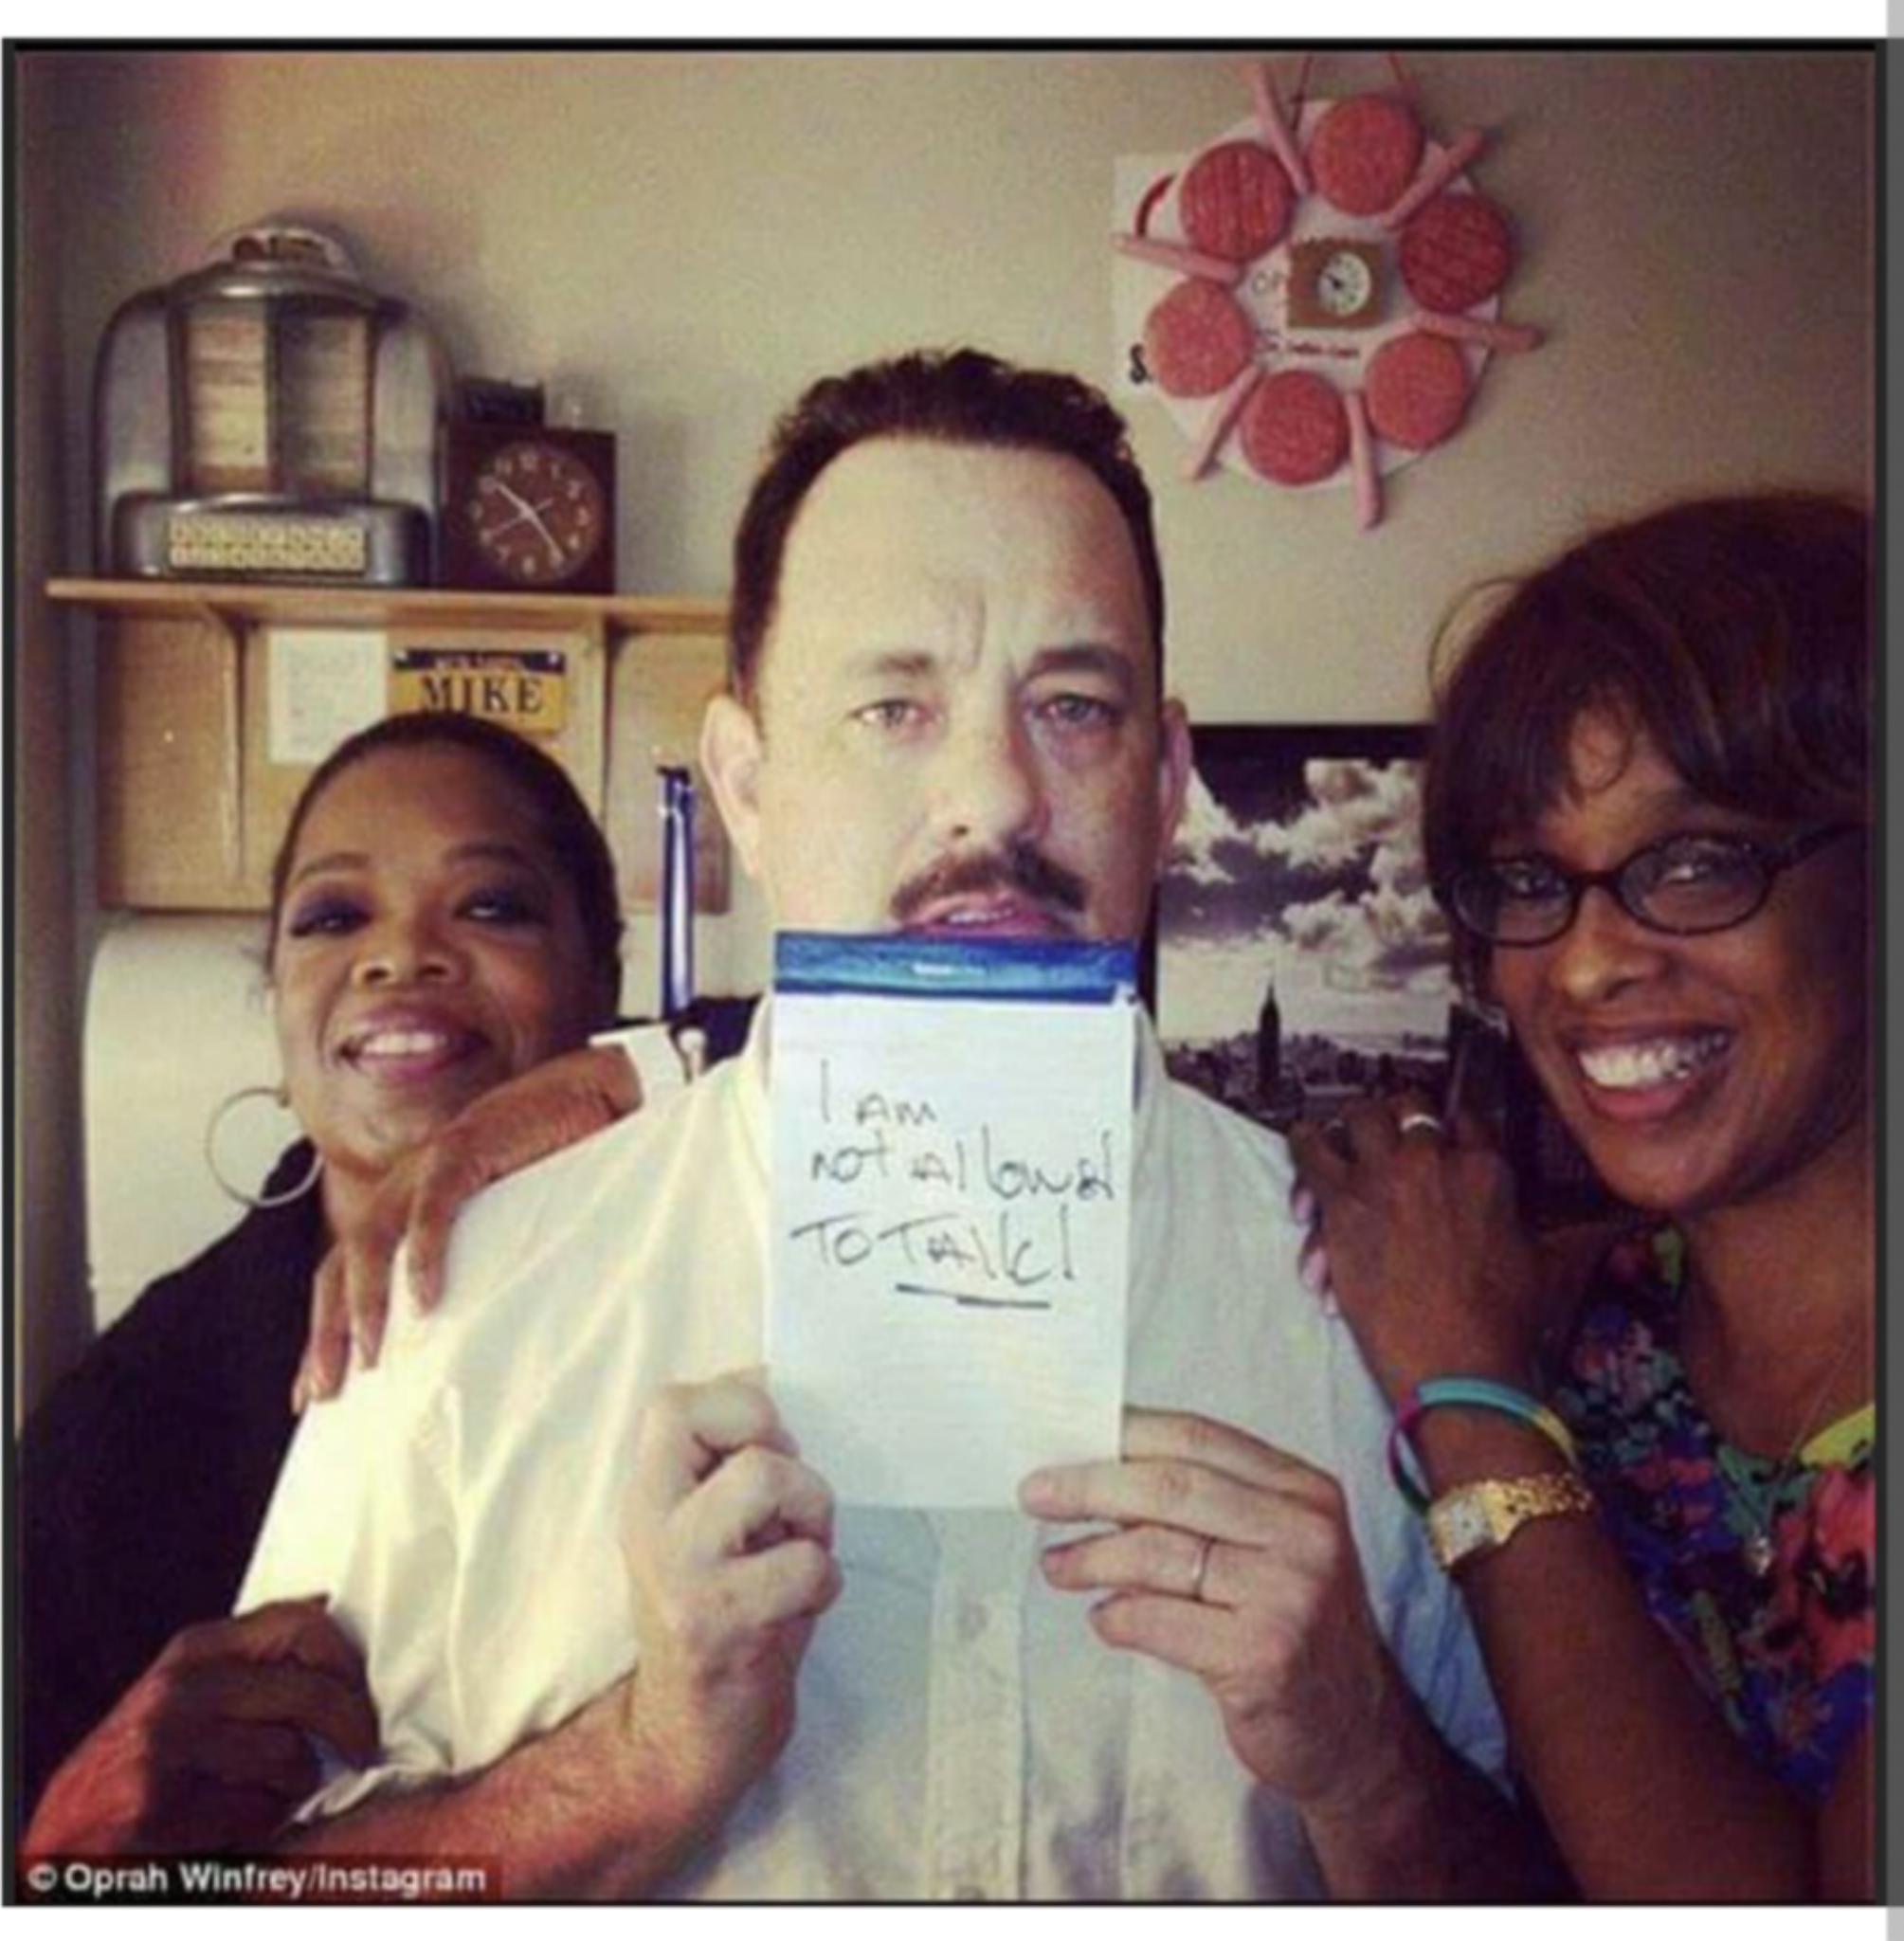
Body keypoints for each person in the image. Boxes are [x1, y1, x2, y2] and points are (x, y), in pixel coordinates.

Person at [237, 348, 1542, 1902]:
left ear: (1164, 783)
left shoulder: (1370, 1303)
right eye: (891, 705)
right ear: (745, 782)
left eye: (1072, 707)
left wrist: (1369, 1766)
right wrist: (635, 1762)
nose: (991, 794)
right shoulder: (461, 1289)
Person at [1289, 495, 1873, 1900]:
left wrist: (1469, 1395)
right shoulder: (1596, 1321)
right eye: (1527, 879)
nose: (1589, 961)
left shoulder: (1499, 1354)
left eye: (1695, 859)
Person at [20, 711, 635, 1858]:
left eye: (491, 905)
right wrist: (68, 1843)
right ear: (276, 998)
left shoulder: (713, 1253)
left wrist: (642, 1072)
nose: (400, 955)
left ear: (603, 977)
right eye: (333, 916)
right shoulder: (120, 1436)